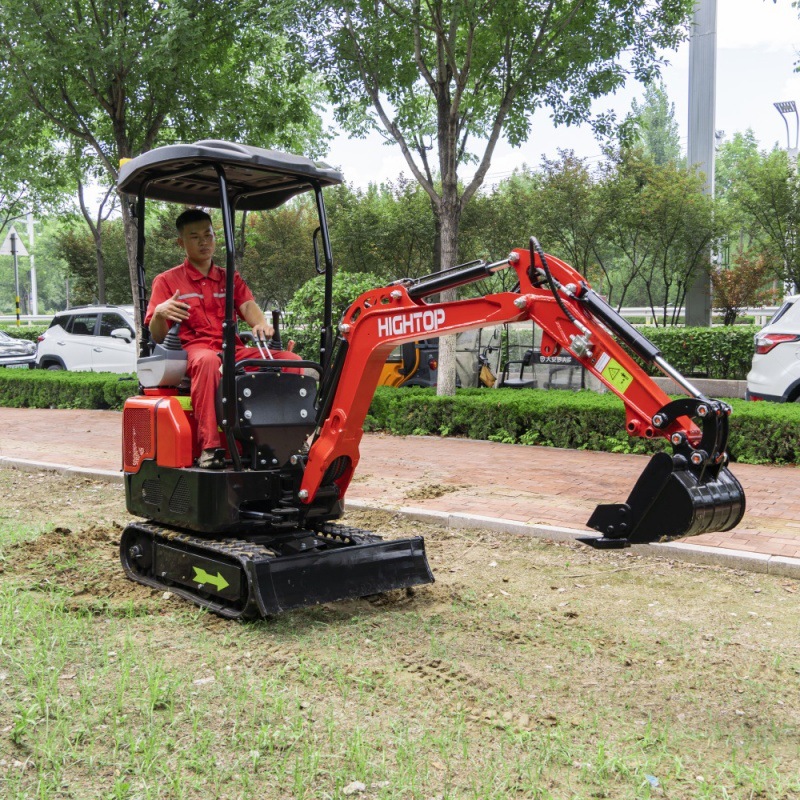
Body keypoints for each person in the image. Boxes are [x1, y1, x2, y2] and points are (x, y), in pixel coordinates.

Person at [145, 208, 301, 468]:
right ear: (180, 243)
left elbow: (248, 306)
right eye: (195, 237)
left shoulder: (229, 278)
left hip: (233, 349)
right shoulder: (167, 281)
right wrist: (160, 313)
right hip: (195, 351)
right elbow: (157, 335)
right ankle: (210, 447)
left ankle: (291, 441)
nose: (204, 242)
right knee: (208, 362)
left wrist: (260, 323)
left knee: (292, 361)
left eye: (209, 235)